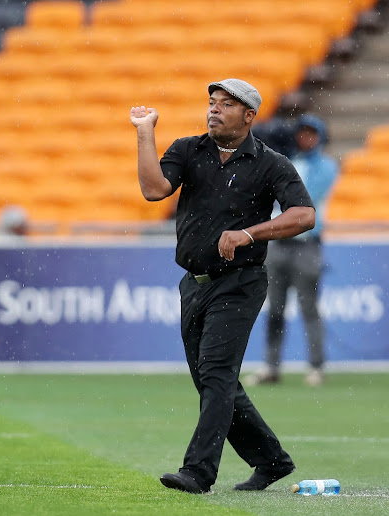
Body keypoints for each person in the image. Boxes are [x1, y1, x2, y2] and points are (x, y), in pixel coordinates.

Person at [129, 78, 316, 494]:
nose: (214, 110)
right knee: (215, 381)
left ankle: (198, 472)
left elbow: (304, 216)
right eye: (212, 103)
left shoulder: (272, 163)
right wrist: (145, 133)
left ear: (249, 116)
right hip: (193, 284)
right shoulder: (187, 149)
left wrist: (248, 234)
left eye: (227, 105)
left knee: (216, 375)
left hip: (240, 283)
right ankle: (271, 460)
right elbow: (153, 189)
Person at [245, 114, 339, 387]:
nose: (305, 138)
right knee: (275, 308)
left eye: (311, 133)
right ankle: (271, 366)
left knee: (308, 308)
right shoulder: (288, 161)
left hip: (306, 244)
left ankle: (316, 366)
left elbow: (302, 196)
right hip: (278, 243)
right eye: (302, 133)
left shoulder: (324, 166)